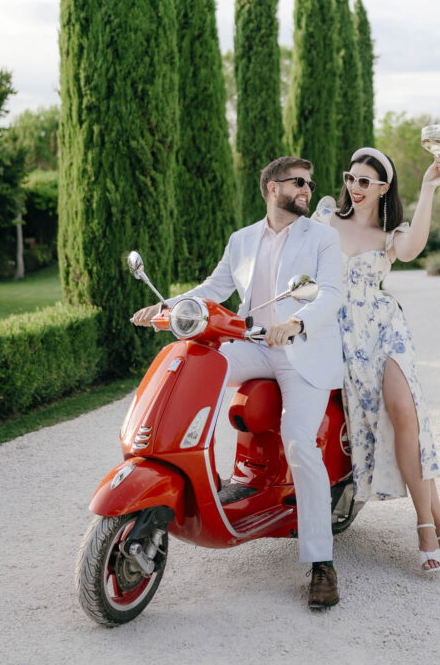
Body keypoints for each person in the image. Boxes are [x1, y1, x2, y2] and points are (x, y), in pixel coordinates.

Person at [133, 156, 344, 608]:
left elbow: (330, 293)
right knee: (199, 366)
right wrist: (165, 308)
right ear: (272, 188)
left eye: (310, 183)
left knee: (298, 441)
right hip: (256, 344)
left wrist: (297, 323)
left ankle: (321, 562)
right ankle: (196, 472)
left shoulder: (323, 237)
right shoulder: (243, 239)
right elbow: (212, 289)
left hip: (303, 350)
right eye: (299, 182)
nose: (307, 190)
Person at [312, 146, 440, 575]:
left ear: (383, 188)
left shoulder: (391, 233)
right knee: (389, 419)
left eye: (365, 181)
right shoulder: (326, 217)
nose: (355, 187)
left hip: (384, 326)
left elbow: (413, 248)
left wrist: (428, 188)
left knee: (405, 410)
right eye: (350, 178)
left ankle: (425, 526)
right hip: (344, 334)